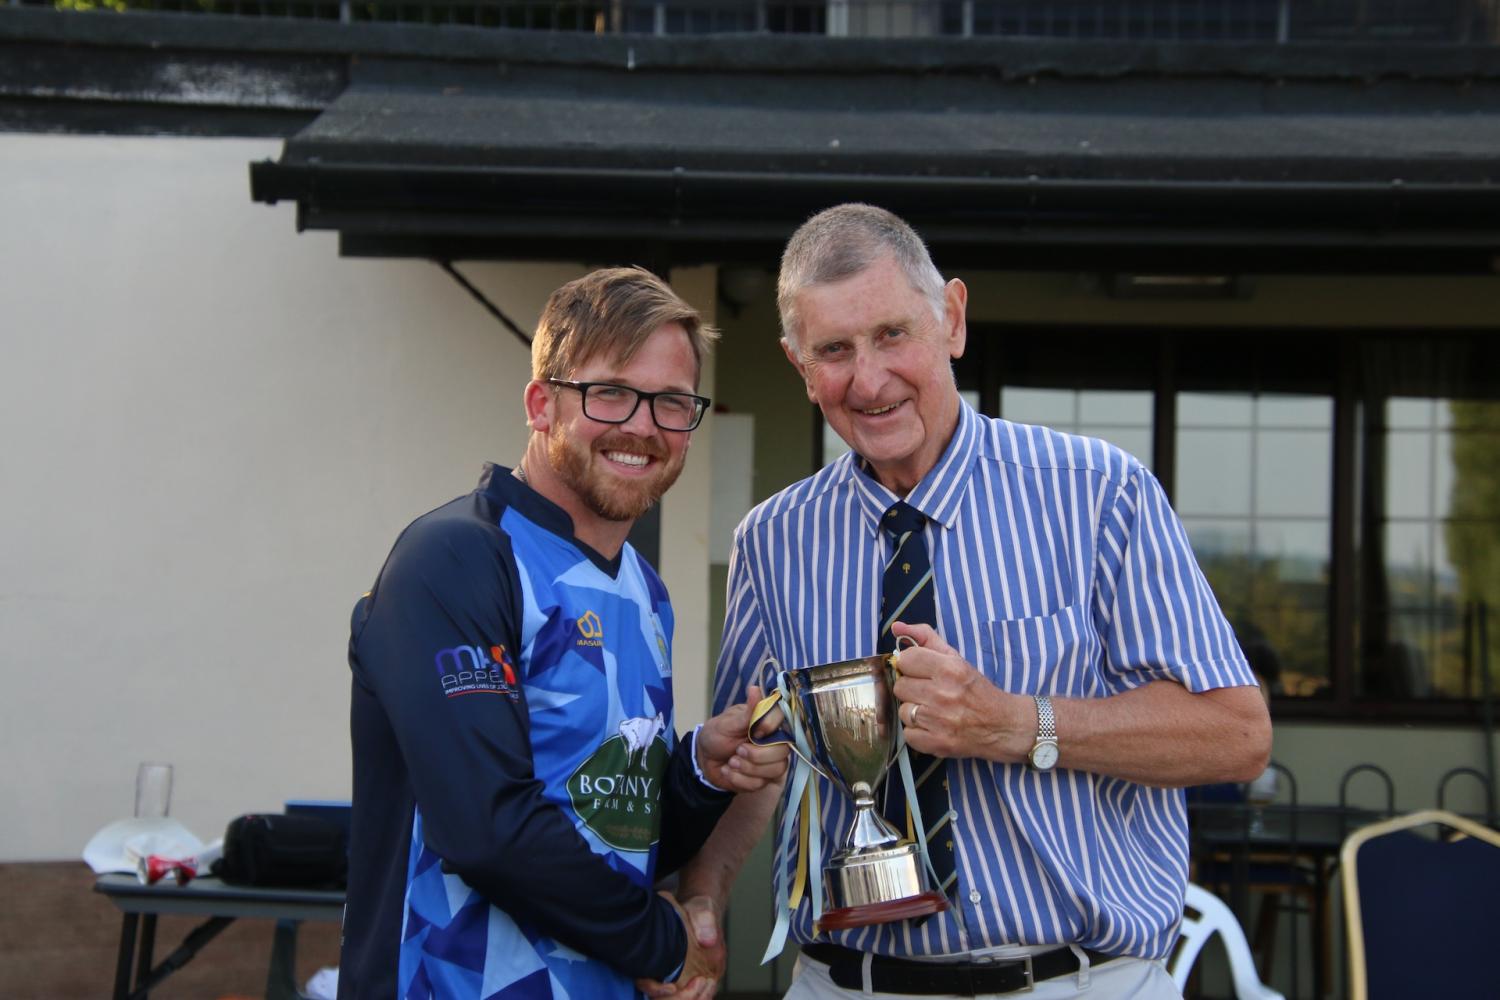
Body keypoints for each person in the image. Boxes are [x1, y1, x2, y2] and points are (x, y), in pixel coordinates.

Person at [672, 205, 1273, 999]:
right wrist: (703, 899)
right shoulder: (773, 541)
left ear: (952, 319)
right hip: (846, 985)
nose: (871, 378)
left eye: (893, 334)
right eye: (835, 351)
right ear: (798, 366)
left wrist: (1014, 722)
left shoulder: (1099, 494)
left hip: (1078, 983)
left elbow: (1236, 734)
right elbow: (761, 763)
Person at [339, 267, 789, 1000]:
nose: (642, 427)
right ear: (541, 403)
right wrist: (666, 943)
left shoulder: (645, 592)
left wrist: (701, 772)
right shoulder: (456, 557)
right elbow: (486, 829)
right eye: (611, 392)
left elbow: (617, 837)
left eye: (672, 402)